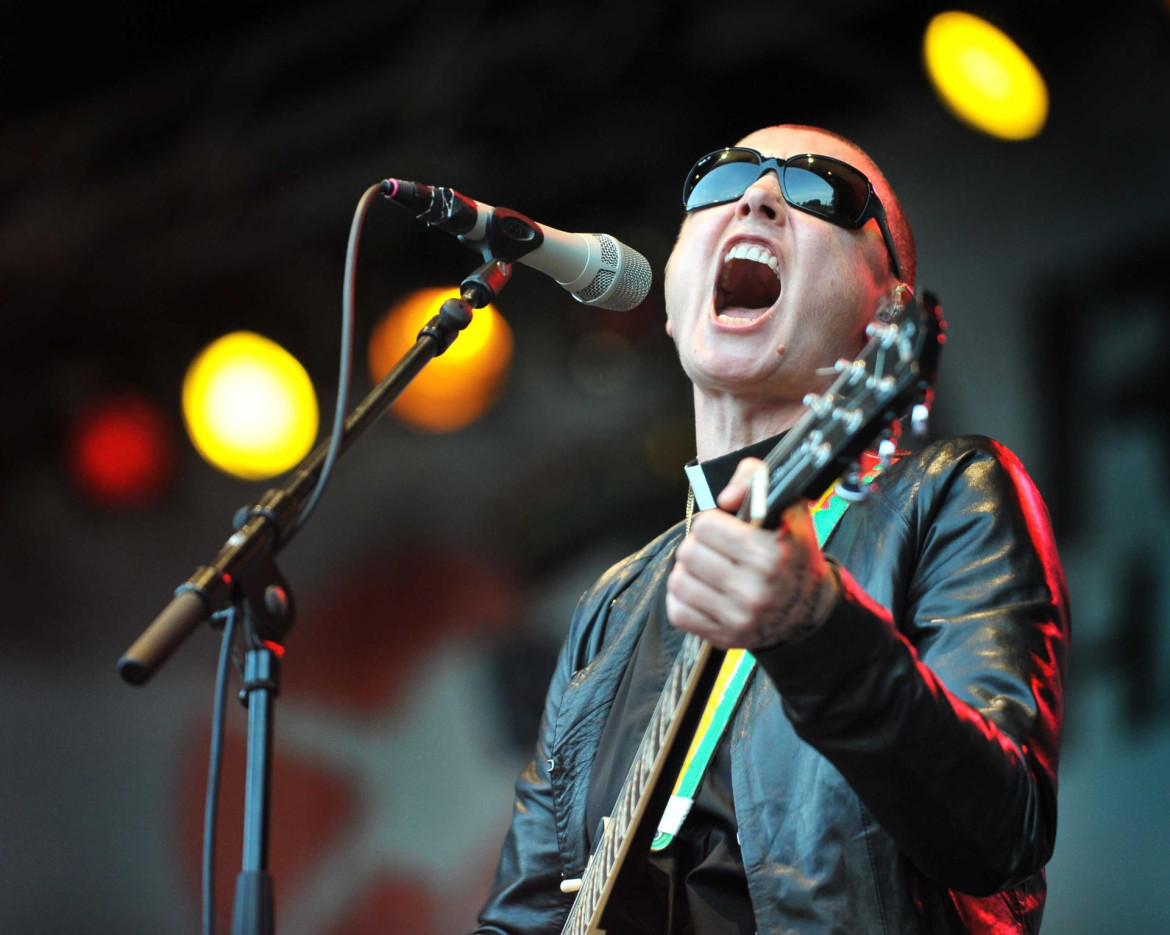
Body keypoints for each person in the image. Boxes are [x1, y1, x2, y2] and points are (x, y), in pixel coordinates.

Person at [472, 124, 1069, 934]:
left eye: (821, 190)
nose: (757, 197)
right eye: (721, 180)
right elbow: (522, 915)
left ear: (885, 317)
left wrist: (817, 629)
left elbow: (1002, 831)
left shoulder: (950, 492)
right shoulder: (609, 609)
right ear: (674, 299)